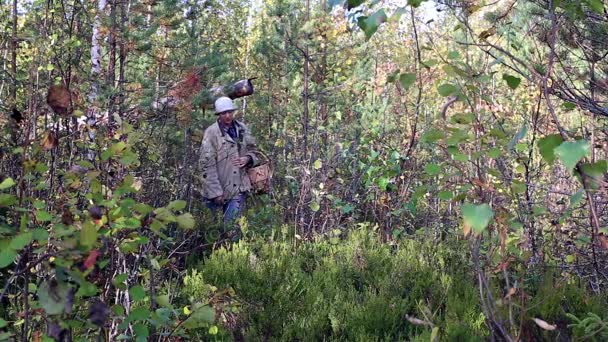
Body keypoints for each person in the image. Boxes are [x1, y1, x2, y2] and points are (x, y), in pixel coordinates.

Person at [199, 96, 259, 239]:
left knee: (232, 230)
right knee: (211, 232)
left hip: (238, 188)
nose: (227, 116)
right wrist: (216, 192)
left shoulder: (242, 129)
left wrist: (249, 158)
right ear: (219, 115)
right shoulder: (211, 133)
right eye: (224, 113)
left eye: (230, 112)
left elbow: (256, 152)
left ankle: (232, 259)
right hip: (217, 190)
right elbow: (206, 164)